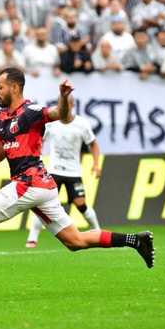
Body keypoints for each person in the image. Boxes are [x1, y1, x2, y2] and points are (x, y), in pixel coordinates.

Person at [0, 67, 155, 299]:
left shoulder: (31, 112)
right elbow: (0, 154)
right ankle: (136, 240)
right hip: (41, 187)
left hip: (29, 182)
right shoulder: (2, 115)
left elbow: (61, 115)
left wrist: (64, 97)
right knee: (75, 241)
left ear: (14, 87)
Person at [25, 96, 102, 248]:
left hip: (73, 172)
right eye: (62, 103)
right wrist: (34, 160)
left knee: (81, 204)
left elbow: (93, 144)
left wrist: (96, 164)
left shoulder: (81, 124)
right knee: (42, 204)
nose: (64, 106)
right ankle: (32, 237)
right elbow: (39, 140)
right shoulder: (51, 124)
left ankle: (98, 231)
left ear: (73, 104)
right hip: (53, 171)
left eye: (67, 103)